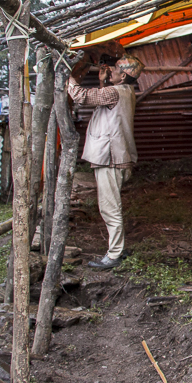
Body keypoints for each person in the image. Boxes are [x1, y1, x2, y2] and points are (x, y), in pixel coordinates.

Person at [67, 45, 144, 270]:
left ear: (124, 75)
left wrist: (68, 77)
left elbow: (80, 96)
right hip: (117, 156)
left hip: (111, 158)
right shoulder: (125, 91)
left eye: (116, 69)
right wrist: (103, 81)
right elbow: (106, 104)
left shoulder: (114, 92)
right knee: (113, 206)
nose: (111, 70)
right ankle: (118, 248)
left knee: (109, 208)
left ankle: (114, 255)